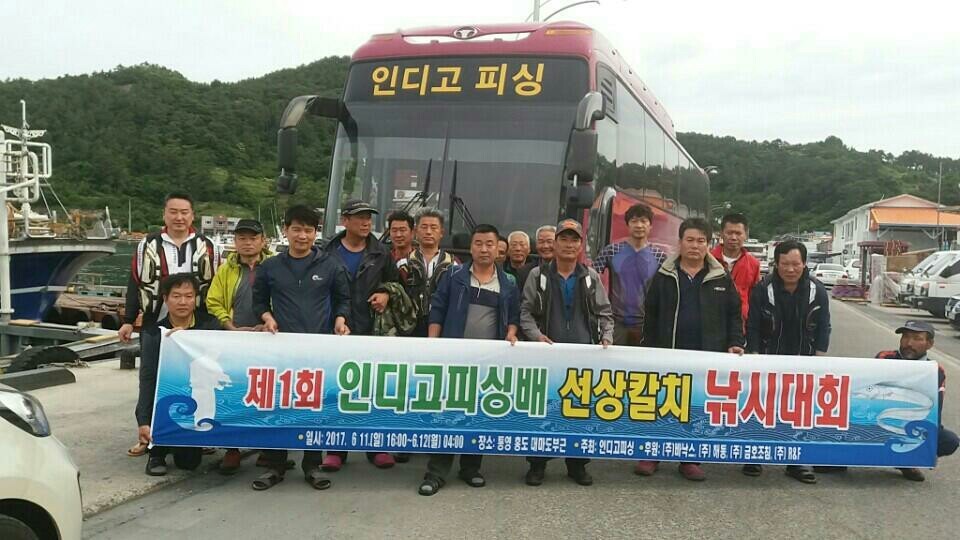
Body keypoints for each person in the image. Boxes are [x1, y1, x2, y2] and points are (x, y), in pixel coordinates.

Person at [250, 205, 351, 491]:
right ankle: (274, 465)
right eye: (296, 229)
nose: (302, 236)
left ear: (315, 233)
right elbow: (259, 301)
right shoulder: (270, 266)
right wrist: (267, 317)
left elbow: (344, 300)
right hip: (280, 350)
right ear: (286, 230)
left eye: (308, 230)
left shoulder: (330, 265)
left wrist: (341, 319)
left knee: (314, 408)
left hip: (318, 350)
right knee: (278, 405)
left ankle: (312, 465)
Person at [638, 217, 744, 481]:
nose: (695, 246)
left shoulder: (721, 277)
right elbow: (651, 313)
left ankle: (690, 459)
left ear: (708, 244)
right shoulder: (664, 275)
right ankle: (652, 453)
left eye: (701, 241)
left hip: (705, 354)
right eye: (690, 240)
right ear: (680, 242)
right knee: (661, 402)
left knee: (696, 405)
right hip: (668, 352)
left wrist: (735, 342)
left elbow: (734, 314)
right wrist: (647, 346)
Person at [418, 224, 520, 496]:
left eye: (489, 244)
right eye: (478, 243)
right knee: (447, 415)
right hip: (454, 359)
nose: (484, 249)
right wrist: (433, 343)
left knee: (478, 415)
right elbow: (438, 308)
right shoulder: (454, 276)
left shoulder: (508, 282)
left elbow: (514, 316)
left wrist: (511, 332)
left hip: (488, 362)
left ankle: (471, 468)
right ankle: (435, 473)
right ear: (471, 247)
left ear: (498, 249)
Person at [119, 192, 219, 457]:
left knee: (196, 378)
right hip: (156, 320)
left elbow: (216, 284)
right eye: (173, 212)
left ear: (192, 215)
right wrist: (129, 320)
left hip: (195, 325)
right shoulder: (148, 244)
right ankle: (147, 433)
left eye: (184, 212)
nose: (179, 217)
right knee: (151, 377)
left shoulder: (208, 246)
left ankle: (198, 432)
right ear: (164, 214)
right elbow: (135, 282)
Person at [520, 219, 613, 487]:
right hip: (546, 356)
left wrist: (606, 337)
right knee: (544, 411)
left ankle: (577, 465)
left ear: (581, 245)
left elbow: (605, 313)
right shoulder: (538, 276)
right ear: (555, 243)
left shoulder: (590, 277)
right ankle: (537, 464)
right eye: (564, 239)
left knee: (578, 411)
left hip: (582, 357)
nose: (569, 245)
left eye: (574, 240)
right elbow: (525, 312)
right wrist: (536, 336)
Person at [744, 239, 830, 484]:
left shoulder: (817, 290)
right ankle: (755, 455)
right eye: (785, 264)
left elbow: (824, 325)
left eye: (796, 264)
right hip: (769, 359)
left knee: (798, 411)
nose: (790, 269)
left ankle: (796, 462)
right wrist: (754, 354)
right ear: (776, 264)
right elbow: (752, 325)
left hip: (804, 360)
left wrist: (820, 356)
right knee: (762, 407)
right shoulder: (763, 289)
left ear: (804, 264)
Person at [324, 199, 400, 470]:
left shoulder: (381, 253)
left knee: (373, 388)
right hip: (336, 328)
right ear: (345, 221)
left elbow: (395, 283)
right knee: (338, 389)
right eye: (360, 217)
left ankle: (376, 446)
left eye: (369, 217)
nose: (366, 222)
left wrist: (386, 293)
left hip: (372, 328)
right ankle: (336, 449)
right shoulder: (327, 251)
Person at [205, 218, 272, 474]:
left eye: (253, 238)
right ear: (235, 241)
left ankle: (267, 449)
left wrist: (270, 323)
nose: (247, 243)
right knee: (233, 393)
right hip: (234, 339)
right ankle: (232, 449)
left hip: (268, 338)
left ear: (263, 241)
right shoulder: (226, 269)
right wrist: (229, 325)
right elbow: (213, 301)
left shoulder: (275, 266)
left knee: (266, 393)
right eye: (242, 238)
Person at [140, 274, 223, 476]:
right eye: (176, 296)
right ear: (165, 299)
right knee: (159, 396)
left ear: (196, 298)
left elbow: (221, 359)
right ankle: (156, 452)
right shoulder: (154, 332)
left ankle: (189, 442)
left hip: (197, 391)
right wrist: (142, 420)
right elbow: (147, 378)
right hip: (167, 393)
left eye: (188, 296)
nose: (183, 302)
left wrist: (187, 339)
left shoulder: (210, 325)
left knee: (189, 464)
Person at [874, 321, 958, 481]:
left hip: (912, 425)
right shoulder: (884, 358)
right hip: (877, 419)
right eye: (905, 337)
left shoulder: (935, 371)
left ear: (929, 344)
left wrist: (927, 450)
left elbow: (935, 412)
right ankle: (839, 459)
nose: (909, 343)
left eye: (917, 338)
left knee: (949, 440)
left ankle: (907, 461)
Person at [592, 203, 667, 346]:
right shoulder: (611, 251)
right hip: (615, 323)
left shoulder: (659, 256)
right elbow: (591, 277)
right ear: (627, 225)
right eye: (634, 221)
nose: (639, 225)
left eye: (643, 221)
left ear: (650, 226)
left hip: (646, 323)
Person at [403, 208, 458, 337]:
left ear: (441, 233)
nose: (428, 232)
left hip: (442, 325)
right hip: (409, 327)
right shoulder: (403, 263)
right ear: (416, 231)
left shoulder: (453, 265)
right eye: (424, 227)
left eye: (434, 227)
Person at [710, 213, 760, 327]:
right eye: (729, 233)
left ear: (746, 234)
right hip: (712, 323)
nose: (733, 237)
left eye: (738, 233)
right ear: (721, 233)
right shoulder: (708, 260)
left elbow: (754, 298)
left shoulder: (753, 264)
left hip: (741, 325)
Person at [517, 225, 557, 290]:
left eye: (550, 242)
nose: (545, 246)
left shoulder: (567, 269)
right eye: (541, 242)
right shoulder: (525, 272)